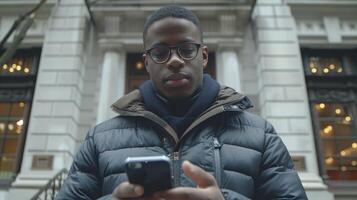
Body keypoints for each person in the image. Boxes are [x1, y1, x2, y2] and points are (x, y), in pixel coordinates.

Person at [56, 5, 307, 200]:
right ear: (146, 62)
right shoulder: (100, 140)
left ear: (204, 56)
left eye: (187, 49)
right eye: (160, 52)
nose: (174, 61)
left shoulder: (260, 136)